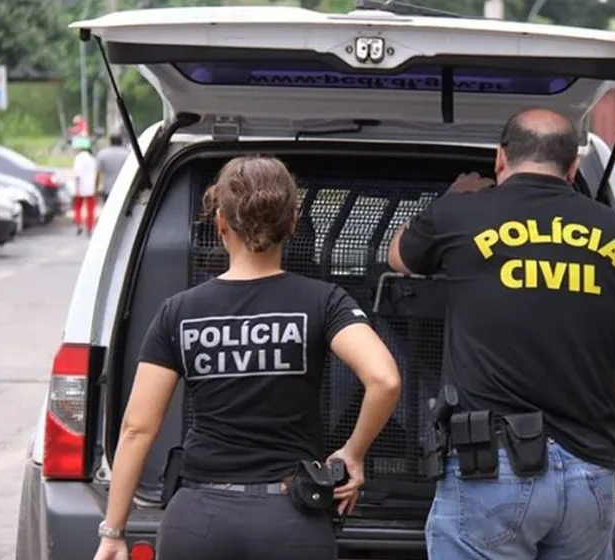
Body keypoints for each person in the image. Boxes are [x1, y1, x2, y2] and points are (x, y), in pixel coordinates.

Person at [387, 108, 615, 560]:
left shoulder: (458, 214)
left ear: (500, 158)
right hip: (588, 472)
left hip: (490, 468)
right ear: (572, 168)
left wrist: (451, 198)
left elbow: (398, 258)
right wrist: (601, 373)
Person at [92, 155, 402, 560]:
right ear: (293, 224)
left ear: (221, 223)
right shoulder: (323, 301)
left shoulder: (179, 311)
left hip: (198, 522)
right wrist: (353, 453)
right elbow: (385, 380)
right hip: (290, 523)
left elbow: (137, 429)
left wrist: (113, 531)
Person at [71, 136, 98, 236]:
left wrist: (76, 189)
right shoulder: (92, 159)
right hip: (90, 188)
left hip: (80, 187)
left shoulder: (78, 158)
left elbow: (77, 174)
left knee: (78, 207)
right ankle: (89, 228)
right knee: (90, 209)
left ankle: (79, 224)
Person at [96, 134, 129, 203]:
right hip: (125, 189)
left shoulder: (102, 154)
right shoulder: (128, 154)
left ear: (110, 142)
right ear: (121, 141)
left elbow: (98, 173)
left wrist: (96, 188)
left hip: (108, 189)